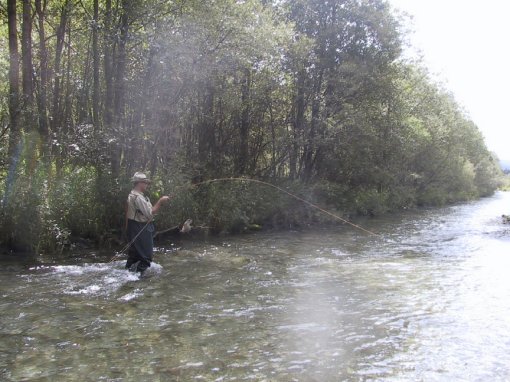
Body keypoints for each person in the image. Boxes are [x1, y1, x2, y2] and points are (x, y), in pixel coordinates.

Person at [125, 172, 170, 274]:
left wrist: (127, 229)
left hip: (134, 227)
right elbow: (150, 214)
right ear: (139, 183)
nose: (147, 185)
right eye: (145, 182)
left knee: (134, 256)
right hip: (140, 228)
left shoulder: (133, 194)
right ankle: (139, 281)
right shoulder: (138, 197)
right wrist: (160, 201)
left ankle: (127, 275)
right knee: (146, 257)